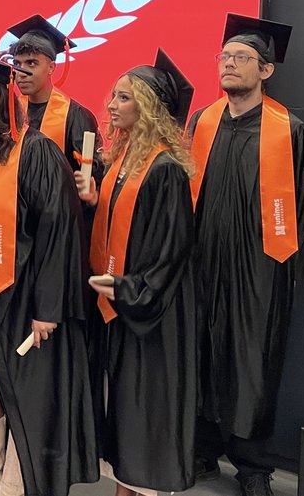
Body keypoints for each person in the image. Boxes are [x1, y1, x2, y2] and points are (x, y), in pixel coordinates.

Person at [0, 50, 98, 496]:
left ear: (3, 95)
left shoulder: (35, 152)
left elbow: (59, 232)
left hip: (20, 298)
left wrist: (48, 307)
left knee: (23, 398)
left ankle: (14, 489)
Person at [189, 14, 304, 496]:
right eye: (224, 57)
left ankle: (252, 466)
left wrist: (293, 271)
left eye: (241, 58)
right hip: (203, 262)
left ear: (266, 71)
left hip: (260, 271)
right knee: (201, 353)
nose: (228, 64)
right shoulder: (202, 122)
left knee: (253, 363)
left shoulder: (289, 130)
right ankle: (202, 450)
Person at [78, 49, 198, 495]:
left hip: (154, 313)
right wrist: (93, 203)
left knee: (147, 410)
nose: (111, 104)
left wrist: (126, 288)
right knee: (127, 411)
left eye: (123, 97)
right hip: (124, 305)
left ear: (147, 108)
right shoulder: (123, 161)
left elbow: (171, 253)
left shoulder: (164, 168)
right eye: (113, 95)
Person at [6, 15, 100, 178]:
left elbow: (90, 177)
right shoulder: (12, 112)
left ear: (51, 67)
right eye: (17, 64)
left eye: (31, 63)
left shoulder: (75, 116)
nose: (21, 72)